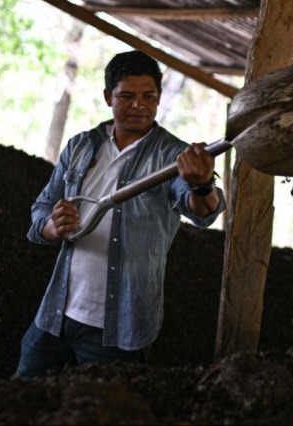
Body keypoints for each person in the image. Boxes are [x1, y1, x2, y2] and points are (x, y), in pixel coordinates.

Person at [15, 50, 226, 379]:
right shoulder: (81, 146)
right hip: (56, 316)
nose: (139, 105)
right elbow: (41, 210)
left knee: (104, 411)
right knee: (18, 398)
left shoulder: (174, 157)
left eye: (148, 96)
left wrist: (201, 185)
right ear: (107, 97)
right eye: (127, 96)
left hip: (118, 331)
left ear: (158, 98)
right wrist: (53, 228)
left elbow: (202, 212)